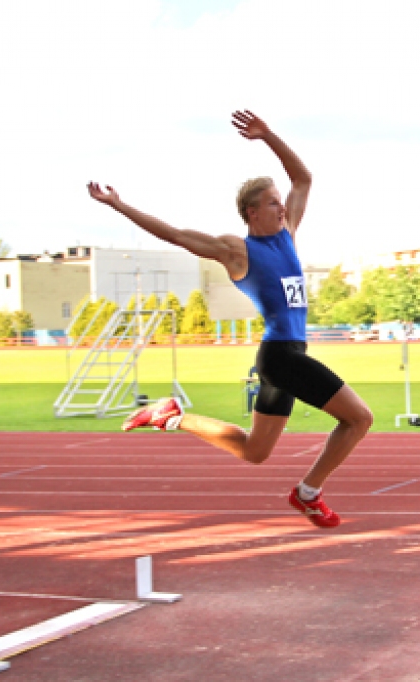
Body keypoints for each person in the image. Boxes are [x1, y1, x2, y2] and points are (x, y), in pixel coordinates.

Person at [87, 110, 373, 528]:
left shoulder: (288, 234)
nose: (282, 206)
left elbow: (303, 179)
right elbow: (175, 234)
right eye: (272, 202)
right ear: (252, 213)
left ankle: (170, 416)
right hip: (281, 356)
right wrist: (118, 205)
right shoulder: (236, 251)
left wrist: (268, 135)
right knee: (360, 418)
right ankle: (308, 493)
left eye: (280, 201)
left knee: (255, 451)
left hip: (286, 354)